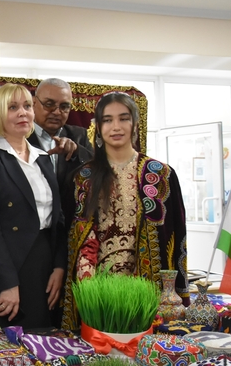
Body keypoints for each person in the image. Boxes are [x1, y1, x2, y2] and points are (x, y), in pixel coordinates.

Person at [61, 92, 188, 331]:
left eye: (123, 118)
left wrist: (179, 293)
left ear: (135, 124)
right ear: (98, 128)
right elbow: (72, 241)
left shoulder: (160, 174)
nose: (116, 127)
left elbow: (177, 236)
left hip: (147, 294)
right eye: (107, 120)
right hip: (96, 297)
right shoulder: (82, 178)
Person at [0, 83, 67, 329]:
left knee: (41, 342)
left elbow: (58, 218)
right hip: (3, 267)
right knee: (1, 347)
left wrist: (59, 266)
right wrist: (7, 282)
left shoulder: (43, 158)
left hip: (43, 267)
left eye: (27, 106)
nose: (23, 113)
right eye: (13, 107)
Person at [28, 78, 93, 192]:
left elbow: (100, 170)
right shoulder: (21, 137)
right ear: (34, 103)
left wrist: (76, 151)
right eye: (49, 104)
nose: (57, 112)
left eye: (64, 106)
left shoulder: (81, 135)